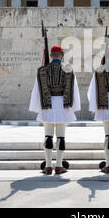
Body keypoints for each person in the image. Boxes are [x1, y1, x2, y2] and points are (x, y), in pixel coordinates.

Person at [29, 45, 80, 175]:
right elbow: (74, 90)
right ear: (61, 55)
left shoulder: (42, 70)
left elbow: (37, 91)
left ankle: (47, 166)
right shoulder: (68, 69)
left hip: (48, 105)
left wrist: (37, 107)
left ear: (51, 56)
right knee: (61, 137)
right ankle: (58, 165)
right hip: (63, 105)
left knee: (48, 136)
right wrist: (74, 107)